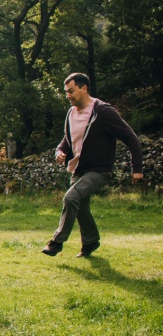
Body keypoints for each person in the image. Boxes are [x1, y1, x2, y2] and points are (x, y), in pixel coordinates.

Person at [42, 73, 143, 258]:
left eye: (71, 91)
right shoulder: (71, 113)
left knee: (71, 198)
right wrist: (60, 152)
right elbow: (67, 138)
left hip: (98, 169)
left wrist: (137, 167)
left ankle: (56, 243)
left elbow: (131, 137)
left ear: (84, 88)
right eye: (66, 92)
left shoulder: (103, 112)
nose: (68, 96)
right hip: (77, 168)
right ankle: (90, 242)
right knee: (80, 207)